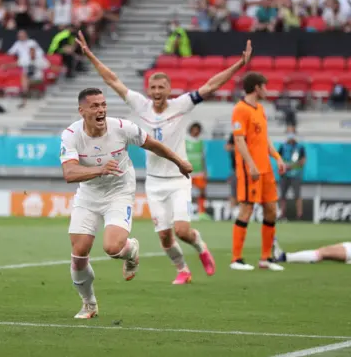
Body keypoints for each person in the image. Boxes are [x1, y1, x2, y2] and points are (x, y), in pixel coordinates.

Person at [77, 32, 251, 284]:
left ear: (169, 89)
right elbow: (112, 80)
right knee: (165, 238)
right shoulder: (141, 105)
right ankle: (183, 270)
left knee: (182, 231)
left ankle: (200, 246)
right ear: (149, 90)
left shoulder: (181, 104)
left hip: (178, 179)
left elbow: (211, 85)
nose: (157, 91)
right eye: (153, 87)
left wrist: (238, 65)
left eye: (162, 87)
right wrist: (91, 55)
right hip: (154, 182)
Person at [61, 87, 193, 318]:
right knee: (79, 254)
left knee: (112, 248)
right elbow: (69, 173)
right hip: (89, 195)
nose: (101, 109)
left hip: (119, 192)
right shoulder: (71, 134)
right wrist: (100, 170)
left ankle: (130, 250)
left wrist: (179, 162)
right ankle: (89, 303)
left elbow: (152, 144)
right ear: (82, 111)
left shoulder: (122, 127)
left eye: (103, 104)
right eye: (94, 106)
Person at [231, 72, 287, 271]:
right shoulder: (240, 109)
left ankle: (265, 258)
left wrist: (277, 158)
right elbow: (239, 140)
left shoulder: (261, 109)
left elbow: (264, 139)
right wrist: (251, 165)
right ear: (256, 87)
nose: (267, 90)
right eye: (265, 86)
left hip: (266, 169)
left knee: (271, 210)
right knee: (246, 210)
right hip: (250, 170)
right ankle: (236, 259)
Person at [278, 132, 306, 220]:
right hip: (284, 175)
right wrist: (283, 166)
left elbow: (303, 161)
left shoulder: (300, 147)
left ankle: (299, 215)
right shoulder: (282, 147)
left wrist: (291, 166)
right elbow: (278, 159)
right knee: (282, 196)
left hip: (296, 175)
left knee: (297, 195)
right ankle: (282, 215)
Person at [186, 122, 211, 221]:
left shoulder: (201, 142)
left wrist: (205, 171)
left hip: (199, 171)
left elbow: (203, 158)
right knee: (187, 192)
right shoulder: (185, 141)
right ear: (191, 130)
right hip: (188, 171)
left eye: (198, 129)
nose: (196, 131)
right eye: (194, 129)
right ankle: (188, 212)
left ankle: (201, 212)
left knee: (202, 191)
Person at [225, 134, 238, 211]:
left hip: (248, 170)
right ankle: (232, 212)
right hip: (235, 170)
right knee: (234, 192)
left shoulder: (250, 133)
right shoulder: (234, 135)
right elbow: (227, 147)